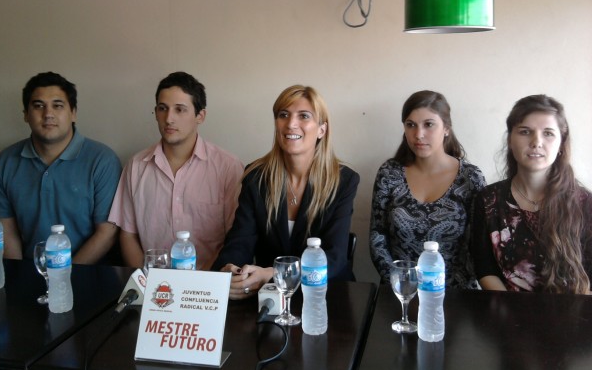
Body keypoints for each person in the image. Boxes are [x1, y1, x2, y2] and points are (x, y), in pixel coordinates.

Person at [213, 85, 360, 300]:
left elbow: (334, 256)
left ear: (322, 130)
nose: (291, 124)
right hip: (269, 297)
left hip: (327, 296)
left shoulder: (343, 180)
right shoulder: (256, 177)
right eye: (283, 115)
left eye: (304, 116)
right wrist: (230, 270)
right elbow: (240, 241)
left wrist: (275, 274)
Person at [108, 72, 243, 271]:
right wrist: (147, 281)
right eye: (163, 109)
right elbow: (128, 234)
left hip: (210, 283)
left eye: (180, 110)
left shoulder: (228, 167)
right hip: (152, 284)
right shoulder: (136, 166)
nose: (169, 119)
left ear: (200, 116)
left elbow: (236, 238)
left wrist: (204, 281)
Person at [0, 72, 122, 264]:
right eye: (38, 106)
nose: (48, 114)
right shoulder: (7, 161)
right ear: (26, 114)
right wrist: (18, 274)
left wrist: (64, 276)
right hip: (31, 269)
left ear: (73, 113)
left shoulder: (102, 160)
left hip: (87, 271)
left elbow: (107, 233)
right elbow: (7, 228)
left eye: (57, 105)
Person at [472, 95, 592, 293]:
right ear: (510, 140)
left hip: (571, 310)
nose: (536, 142)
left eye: (548, 133)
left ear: (561, 143)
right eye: (525, 132)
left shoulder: (585, 203)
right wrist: (512, 309)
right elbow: (485, 268)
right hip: (507, 309)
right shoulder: (488, 199)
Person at [370, 90, 486, 289]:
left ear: (446, 128)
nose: (418, 134)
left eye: (429, 124)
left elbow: (479, 246)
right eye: (411, 125)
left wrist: (443, 291)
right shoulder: (389, 173)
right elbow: (377, 236)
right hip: (399, 291)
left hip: (455, 293)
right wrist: (400, 283)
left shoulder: (470, 178)